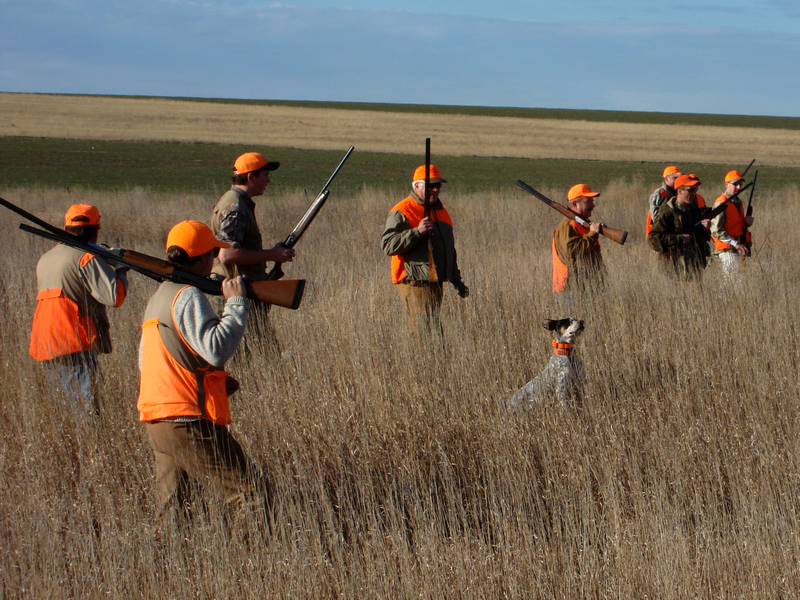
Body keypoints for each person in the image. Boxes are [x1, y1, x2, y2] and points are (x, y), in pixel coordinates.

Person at [137, 220, 266, 523]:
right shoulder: (187, 295)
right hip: (186, 420)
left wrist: (212, 378)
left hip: (157, 420)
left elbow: (150, 361)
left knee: (173, 511)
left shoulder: (158, 298)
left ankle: (163, 568)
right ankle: (250, 569)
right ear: (206, 258)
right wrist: (236, 303)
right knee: (250, 495)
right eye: (212, 255)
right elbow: (217, 348)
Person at [29, 204, 128, 419]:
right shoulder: (85, 257)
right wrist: (121, 269)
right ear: (96, 229)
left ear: (65, 228)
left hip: (47, 344)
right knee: (87, 414)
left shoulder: (46, 258)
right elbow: (115, 297)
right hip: (74, 343)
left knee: (64, 411)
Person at [211, 152, 295, 349]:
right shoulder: (236, 207)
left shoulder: (235, 201)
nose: (268, 180)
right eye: (265, 175)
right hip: (239, 294)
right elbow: (227, 254)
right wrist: (272, 255)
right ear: (251, 177)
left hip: (241, 291)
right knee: (258, 355)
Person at [381, 165, 468, 334]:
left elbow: (450, 251)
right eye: (430, 186)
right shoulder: (402, 210)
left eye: (438, 186)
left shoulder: (442, 213)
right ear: (416, 186)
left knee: (434, 329)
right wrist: (416, 232)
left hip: (435, 280)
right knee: (422, 329)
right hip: (413, 280)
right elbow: (388, 245)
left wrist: (456, 280)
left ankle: (437, 360)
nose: (435, 190)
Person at [648, 174, 711, 280]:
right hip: (674, 270)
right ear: (679, 191)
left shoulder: (695, 211)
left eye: (695, 190)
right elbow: (653, 239)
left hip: (695, 268)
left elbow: (700, 238)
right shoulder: (667, 212)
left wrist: (705, 230)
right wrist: (679, 239)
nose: (693, 194)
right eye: (690, 190)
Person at [552, 184, 606, 296]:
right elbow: (573, 252)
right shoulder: (569, 225)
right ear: (575, 204)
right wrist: (592, 234)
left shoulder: (583, 225)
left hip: (586, 286)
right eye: (588, 202)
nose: (593, 205)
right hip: (570, 289)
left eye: (592, 201)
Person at [710, 170, 754, 281]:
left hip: (738, 247)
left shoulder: (738, 202)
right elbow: (716, 230)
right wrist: (735, 244)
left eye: (740, 185)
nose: (738, 187)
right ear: (726, 184)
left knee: (736, 282)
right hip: (727, 250)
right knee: (733, 282)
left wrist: (746, 223)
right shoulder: (721, 203)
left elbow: (735, 224)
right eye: (735, 184)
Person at [646, 166, 681, 238]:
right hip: (658, 235)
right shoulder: (659, 193)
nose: (677, 180)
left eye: (678, 178)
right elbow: (655, 217)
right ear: (666, 179)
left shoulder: (678, 193)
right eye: (674, 178)